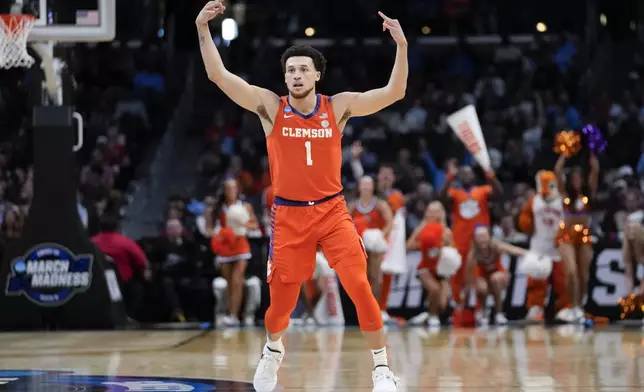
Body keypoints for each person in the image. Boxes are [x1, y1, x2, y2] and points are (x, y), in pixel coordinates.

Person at [196, 1, 407, 391]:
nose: (295, 75)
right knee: (281, 309)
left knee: (359, 286)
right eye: (290, 70)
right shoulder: (271, 108)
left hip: (332, 211)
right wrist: (202, 28)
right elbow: (218, 75)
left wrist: (401, 45)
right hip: (289, 217)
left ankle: (381, 369)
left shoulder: (337, 107)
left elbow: (394, 92)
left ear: (317, 75)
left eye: (302, 69)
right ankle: (273, 351)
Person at [439, 159, 503, 305]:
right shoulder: (455, 193)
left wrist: (491, 176)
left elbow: (499, 193)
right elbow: (441, 197)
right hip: (460, 240)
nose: (466, 176)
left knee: (478, 275)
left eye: (469, 173)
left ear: (474, 176)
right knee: (458, 274)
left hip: (479, 241)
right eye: (462, 174)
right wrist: (449, 177)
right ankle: (458, 306)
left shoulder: (483, 190)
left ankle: (479, 309)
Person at [518, 170, 573, 322]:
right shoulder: (534, 201)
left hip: (559, 247)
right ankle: (536, 307)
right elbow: (525, 219)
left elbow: (571, 221)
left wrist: (564, 234)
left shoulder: (563, 201)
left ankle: (564, 307)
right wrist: (526, 224)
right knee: (536, 279)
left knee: (562, 280)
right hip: (539, 245)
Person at [554, 153, 599, 320]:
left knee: (583, 275)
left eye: (579, 177)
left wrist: (593, 153)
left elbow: (595, 171)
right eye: (574, 178)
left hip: (584, 235)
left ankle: (579, 307)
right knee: (571, 271)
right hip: (566, 235)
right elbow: (557, 171)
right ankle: (571, 305)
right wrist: (564, 155)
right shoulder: (565, 194)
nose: (577, 180)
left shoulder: (588, 194)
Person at [405, 202, 456, 327]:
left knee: (443, 305)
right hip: (425, 268)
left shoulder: (446, 230)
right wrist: (425, 245)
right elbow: (409, 246)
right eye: (430, 211)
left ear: (441, 213)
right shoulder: (421, 228)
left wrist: (441, 247)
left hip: (441, 270)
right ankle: (432, 317)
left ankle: (427, 315)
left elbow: (452, 250)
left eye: (436, 211)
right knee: (435, 289)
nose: (433, 214)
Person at [211, 203, 261, 327]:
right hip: (226, 243)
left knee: (236, 280)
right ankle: (228, 314)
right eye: (228, 189)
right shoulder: (220, 208)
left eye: (233, 188)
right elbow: (213, 227)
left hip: (240, 245)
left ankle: (234, 315)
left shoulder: (246, 206)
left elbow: (254, 225)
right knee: (229, 282)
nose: (231, 191)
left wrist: (242, 224)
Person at [462, 225, 524, 326]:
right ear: (475, 239)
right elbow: (468, 279)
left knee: (495, 278)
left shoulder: (495, 246)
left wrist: (531, 254)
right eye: (479, 237)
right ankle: (483, 312)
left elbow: (513, 250)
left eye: (484, 236)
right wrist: (465, 302)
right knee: (481, 286)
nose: (482, 240)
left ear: (489, 237)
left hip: (499, 277)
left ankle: (499, 313)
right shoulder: (472, 255)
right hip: (484, 279)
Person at [349, 176, 393, 300]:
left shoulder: (380, 204)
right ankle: (362, 308)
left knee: (375, 276)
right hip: (359, 244)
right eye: (364, 185)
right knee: (361, 277)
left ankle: (375, 308)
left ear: (373, 187)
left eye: (369, 185)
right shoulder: (353, 206)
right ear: (359, 187)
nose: (366, 188)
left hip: (375, 245)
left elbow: (389, 223)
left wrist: (380, 237)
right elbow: (344, 222)